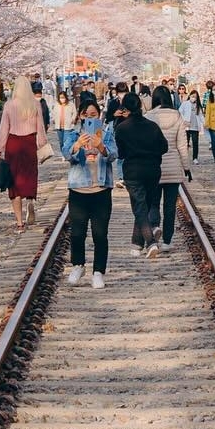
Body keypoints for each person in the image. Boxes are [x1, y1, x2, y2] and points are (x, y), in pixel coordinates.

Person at [61, 91, 117, 288]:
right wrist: (77, 145)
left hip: (101, 189)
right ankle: (78, 265)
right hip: (78, 189)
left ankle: (98, 271)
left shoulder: (107, 132)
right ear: (80, 116)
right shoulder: (73, 134)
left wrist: (102, 147)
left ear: (99, 116)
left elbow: (114, 156)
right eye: (86, 115)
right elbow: (66, 154)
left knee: (100, 233)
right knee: (77, 232)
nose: (90, 118)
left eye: (94, 115)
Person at [114, 90, 168, 256]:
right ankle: (137, 243)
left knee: (139, 207)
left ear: (125, 109)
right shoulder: (152, 126)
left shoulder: (122, 128)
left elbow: (121, 154)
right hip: (152, 170)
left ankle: (151, 242)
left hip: (133, 171)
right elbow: (164, 147)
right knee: (144, 205)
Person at [0, 76, 44, 231]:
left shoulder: (9, 105)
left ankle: (19, 222)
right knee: (30, 175)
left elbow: (4, 128)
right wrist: (41, 144)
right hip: (29, 143)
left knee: (14, 181)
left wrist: (0, 148)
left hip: (13, 144)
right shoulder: (35, 104)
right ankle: (30, 200)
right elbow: (40, 127)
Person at [147, 84, 191, 249]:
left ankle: (155, 226)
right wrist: (186, 167)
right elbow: (182, 145)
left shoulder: (149, 116)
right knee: (170, 206)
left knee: (153, 203)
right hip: (173, 167)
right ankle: (166, 241)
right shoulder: (177, 116)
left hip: (154, 166)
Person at [180, 88, 203, 161]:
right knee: (185, 143)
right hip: (187, 126)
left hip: (195, 126)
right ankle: (184, 157)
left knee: (195, 143)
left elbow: (201, 116)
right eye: (192, 96)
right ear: (189, 96)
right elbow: (180, 112)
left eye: (195, 97)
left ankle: (195, 158)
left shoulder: (198, 105)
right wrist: (184, 121)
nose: (193, 98)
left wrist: (204, 123)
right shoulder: (185, 104)